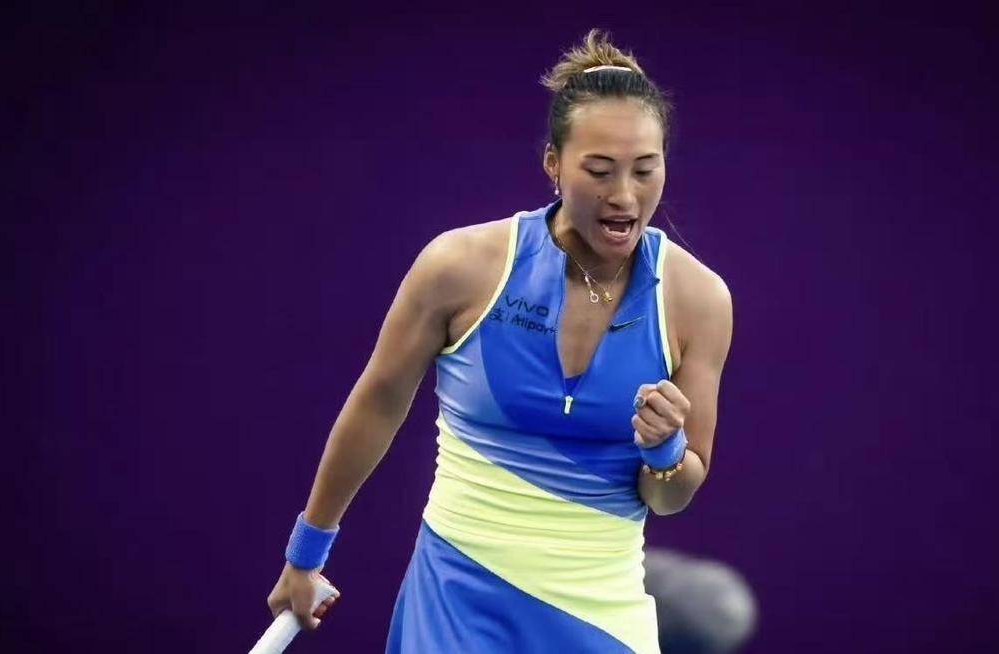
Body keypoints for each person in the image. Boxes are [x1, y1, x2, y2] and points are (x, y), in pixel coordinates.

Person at [265, 28, 734, 653]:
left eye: (645, 170)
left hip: (600, 616)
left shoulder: (698, 300)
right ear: (553, 165)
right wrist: (306, 553)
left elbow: (670, 497)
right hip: (455, 602)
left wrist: (665, 449)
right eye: (599, 171)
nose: (625, 195)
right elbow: (377, 404)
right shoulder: (459, 267)